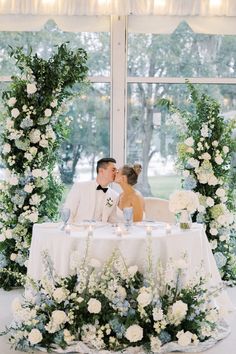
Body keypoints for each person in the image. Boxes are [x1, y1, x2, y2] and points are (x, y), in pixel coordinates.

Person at [64, 157, 119, 223]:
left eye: (116, 170)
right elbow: (68, 214)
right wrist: (72, 232)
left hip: (102, 232)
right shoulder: (80, 187)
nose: (116, 172)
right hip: (79, 231)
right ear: (101, 171)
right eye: (113, 170)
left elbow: (112, 221)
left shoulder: (114, 196)